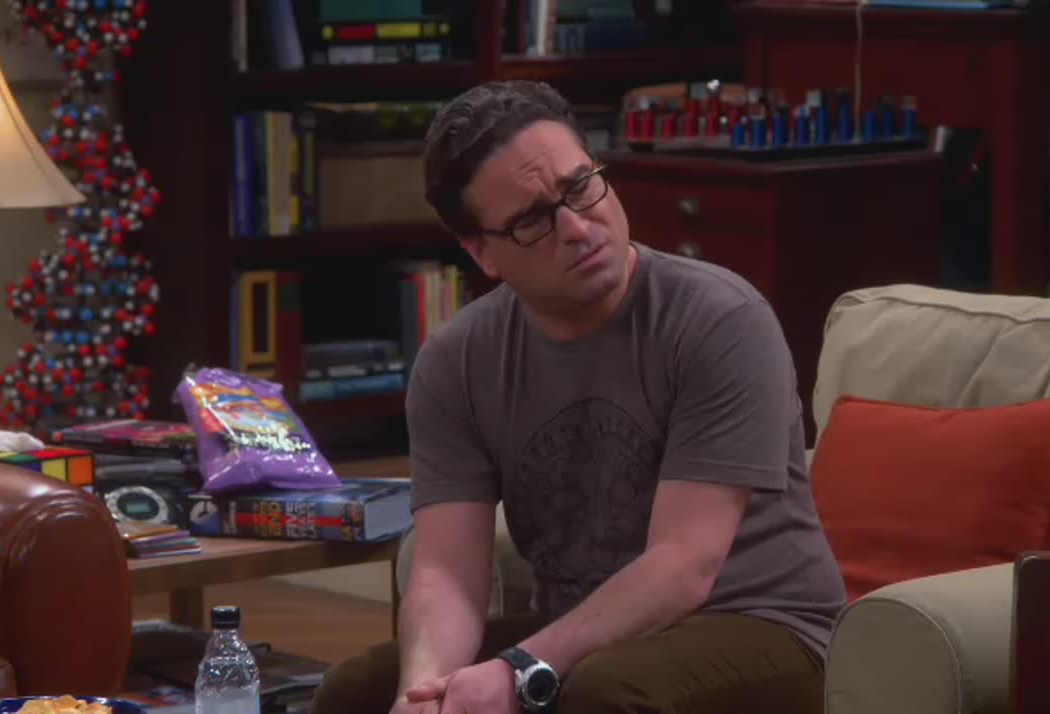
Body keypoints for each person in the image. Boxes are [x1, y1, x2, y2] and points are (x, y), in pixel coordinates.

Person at [311, 80, 847, 714]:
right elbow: (447, 572)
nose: (576, 227)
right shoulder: (456, 362)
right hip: (587, 635)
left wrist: (519, 668)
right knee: (358, 689)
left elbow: (684, 565)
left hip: (768, 627)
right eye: (533, 220)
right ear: (481, 252)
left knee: (603, 692)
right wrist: (422, 691)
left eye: (580, 187)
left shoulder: (718, 319)